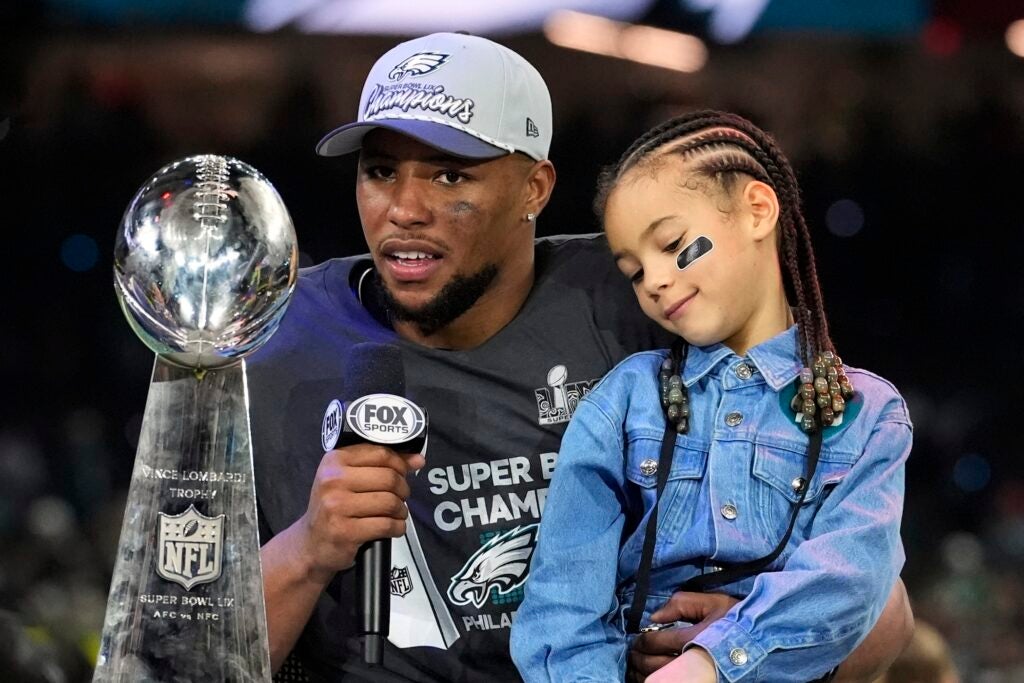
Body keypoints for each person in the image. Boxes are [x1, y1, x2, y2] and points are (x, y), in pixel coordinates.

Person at [247, 34, 912, 682]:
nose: (404, 208)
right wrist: (307, 550)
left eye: (450, 173)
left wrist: (750, 642)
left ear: (535, 188)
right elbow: (176, 653)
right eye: (381, 171)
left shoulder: (645, 303)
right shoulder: (278, 339)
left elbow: (884, 619)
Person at [510, 111, 913, 683]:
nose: (653, 280)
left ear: (757, 210)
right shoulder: (624, 400)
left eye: (673, 245)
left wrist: (713, 663)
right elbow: (563, 599)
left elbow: (851, 577)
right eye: (632, 271)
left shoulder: (868, 414)